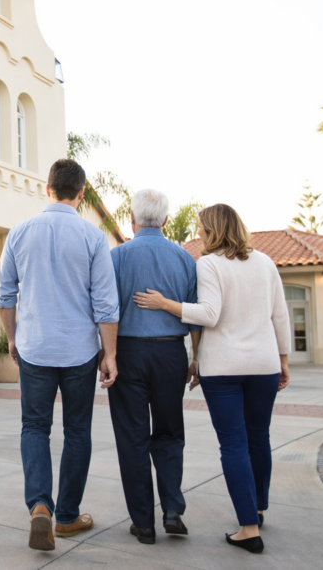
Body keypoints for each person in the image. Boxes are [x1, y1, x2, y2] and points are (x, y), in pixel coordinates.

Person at [135, 203, 290, 555]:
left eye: (202, 228)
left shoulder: (209, 263)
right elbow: (280, 315)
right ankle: (258, 508)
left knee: (234, 444)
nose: (200, 233)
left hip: (224, 370)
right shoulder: (265, 262)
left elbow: (209, 314)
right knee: (258, 438)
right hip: (264, 365)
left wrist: (165, 304)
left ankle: (248, 529)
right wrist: (282, 359)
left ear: (214, 230)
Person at [0, 158, 120, 552]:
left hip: (34, 348)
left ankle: (39, 508)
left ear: (46, 188)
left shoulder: (19, 233)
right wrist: (110, 354)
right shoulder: (94, 237)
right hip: (80, 350)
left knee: (35, 427)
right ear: (81, 194)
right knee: (77, 431)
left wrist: (13, 339)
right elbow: (106, 305)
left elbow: (3, 295)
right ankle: (66, 516)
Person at [108, 189, 201, 545]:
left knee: (132, 437)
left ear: (131, 220)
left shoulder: (117, 256)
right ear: (164, 220)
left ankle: (143, 523)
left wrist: (108, 354)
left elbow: (108, 310)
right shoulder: (184, 258)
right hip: (170, 355)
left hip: (128, 352)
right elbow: (194, 315)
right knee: (169, 431)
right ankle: (173, 509)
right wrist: (196, 357)